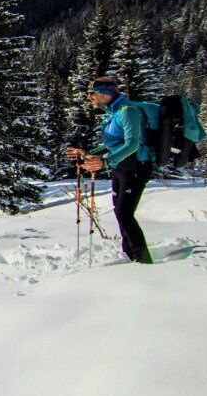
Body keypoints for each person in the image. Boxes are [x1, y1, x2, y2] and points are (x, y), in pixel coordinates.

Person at [65, 77, 155, 264]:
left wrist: (105, 162)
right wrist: (88, 154)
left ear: (106, 94)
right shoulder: (112, 115)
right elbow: (114, 145)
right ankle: (130, 255)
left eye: (93, 93)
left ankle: (144, 261)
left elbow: (133, 143)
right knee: (120, 211)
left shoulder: (127, 112)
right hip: (121, 167)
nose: (89, 97)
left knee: (124, 213)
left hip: (136, 166)